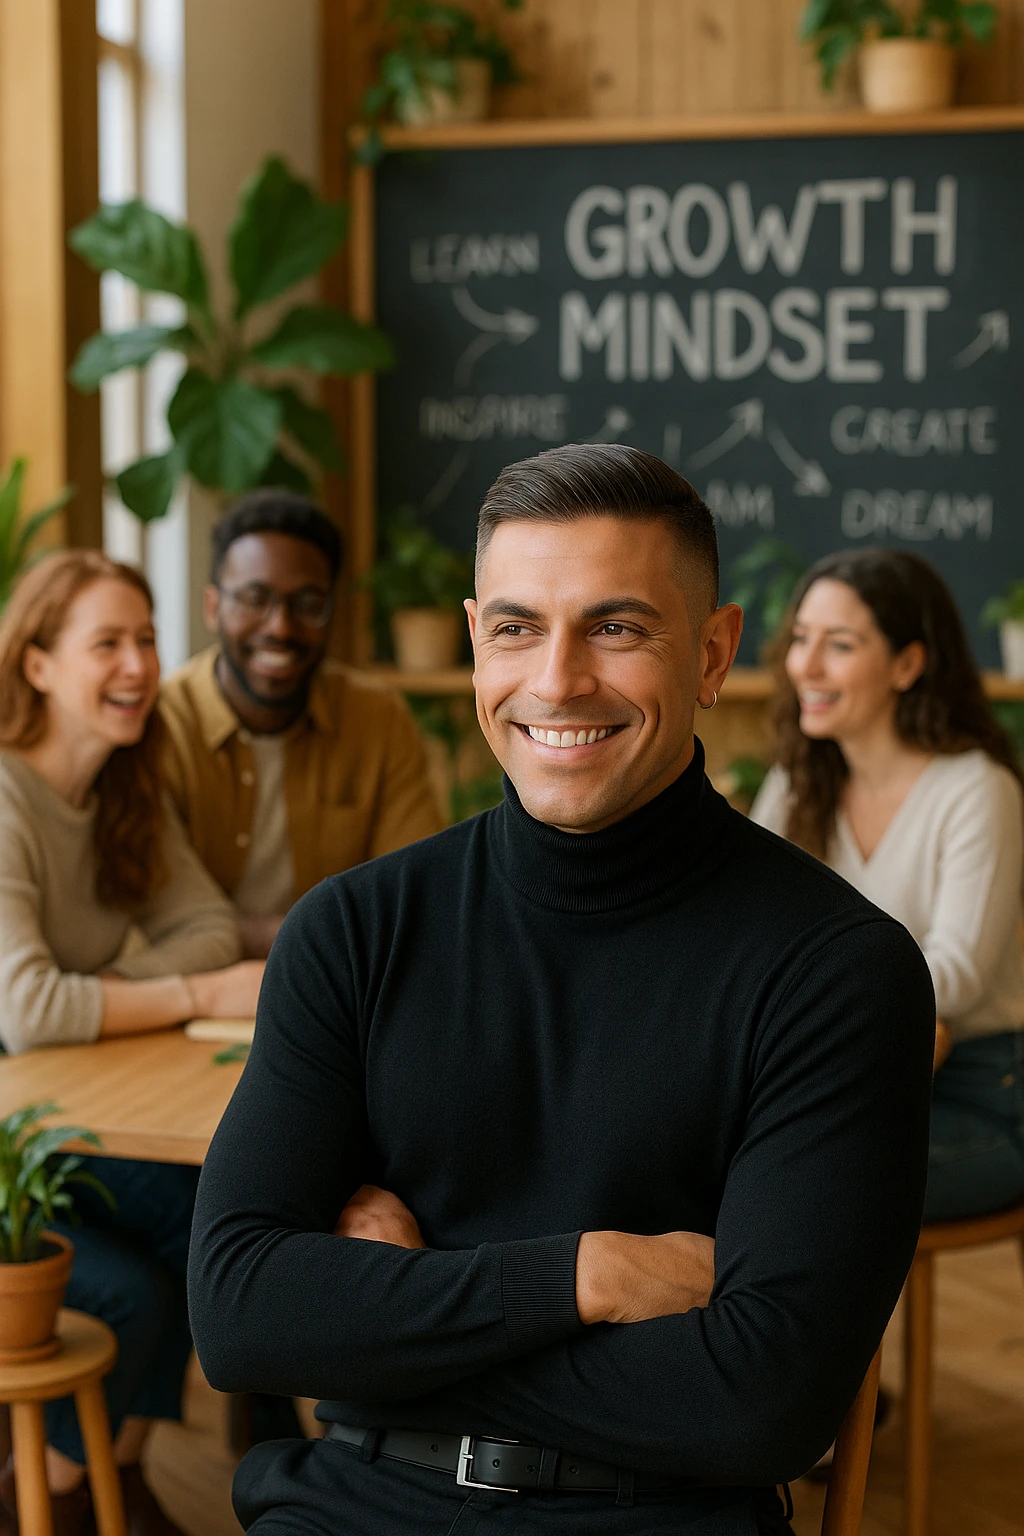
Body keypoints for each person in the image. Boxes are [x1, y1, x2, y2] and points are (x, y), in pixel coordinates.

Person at [188, 445, 934, 1536]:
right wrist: (581, 1279)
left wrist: (397, 1326)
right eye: (515, 626)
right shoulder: (352, 931)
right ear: (477, 633)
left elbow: (758, 1406)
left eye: (617, 627)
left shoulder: (835, 971)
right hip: (349, 1506)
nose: (555, 680)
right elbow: (239, 1314)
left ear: (714, 652)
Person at [0, 550, 263, 1536]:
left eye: (146, 640)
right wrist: (192, 990)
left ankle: (115, 1472)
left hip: (79, 1118)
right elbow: (27, 1008)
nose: (139, 666)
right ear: (36, 665)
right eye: (106, 642)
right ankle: (62, 1496)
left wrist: (101, 988)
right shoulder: (6, 797)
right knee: (137, 1286)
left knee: (217, 1219)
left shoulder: (124, 789)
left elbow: (209, 923)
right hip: (14, 1152)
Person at [751, 547, 1024, 1224]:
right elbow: (747, 930)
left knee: (798, 1192)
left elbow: (955, 972)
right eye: (801, 639)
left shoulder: (976, 788)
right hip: (841, 1078)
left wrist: (819, 1008)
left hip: (982, 1092)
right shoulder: (798, 782)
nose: (805, 666)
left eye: (838, 645)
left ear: (908, 664)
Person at [159, 489, 443, 959]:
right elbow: (158, 917)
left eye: (308, 603)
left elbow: (417, 893)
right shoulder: (163, 724)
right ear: (213, 607)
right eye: (255, 598)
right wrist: (319, 938)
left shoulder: (377, 720)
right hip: (196, 991)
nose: (281, 628)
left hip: (339, 995)